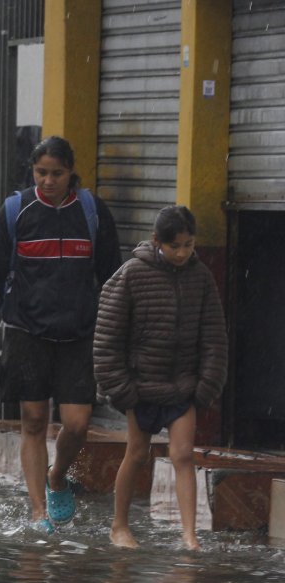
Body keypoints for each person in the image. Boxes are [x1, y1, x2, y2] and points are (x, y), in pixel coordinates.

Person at [0, 136, 123, 533]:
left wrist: (119, 330)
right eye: (42, 173)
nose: (49, 180)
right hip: (26, 330)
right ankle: (39, 510)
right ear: (33, 171)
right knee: (34, 420)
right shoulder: (16, 211)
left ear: (71, 171)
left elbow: (112, 275)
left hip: (80, 332)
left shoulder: (92, 212)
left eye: (57, 173)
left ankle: (57, 477)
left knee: (76, 423)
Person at [93, 205, 227, 551]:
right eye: (175, 246)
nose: (183, 253)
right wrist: (122, 390)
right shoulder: (131, 275)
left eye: (189, 245)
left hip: (183, 386)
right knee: (136, 453)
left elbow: (214, 336)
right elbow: (107, 338)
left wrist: (206, 386)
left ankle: (189, 534)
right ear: (157, 242)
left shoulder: (202, 278)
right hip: (141, 387)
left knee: (184, 455)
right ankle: (119, 526)